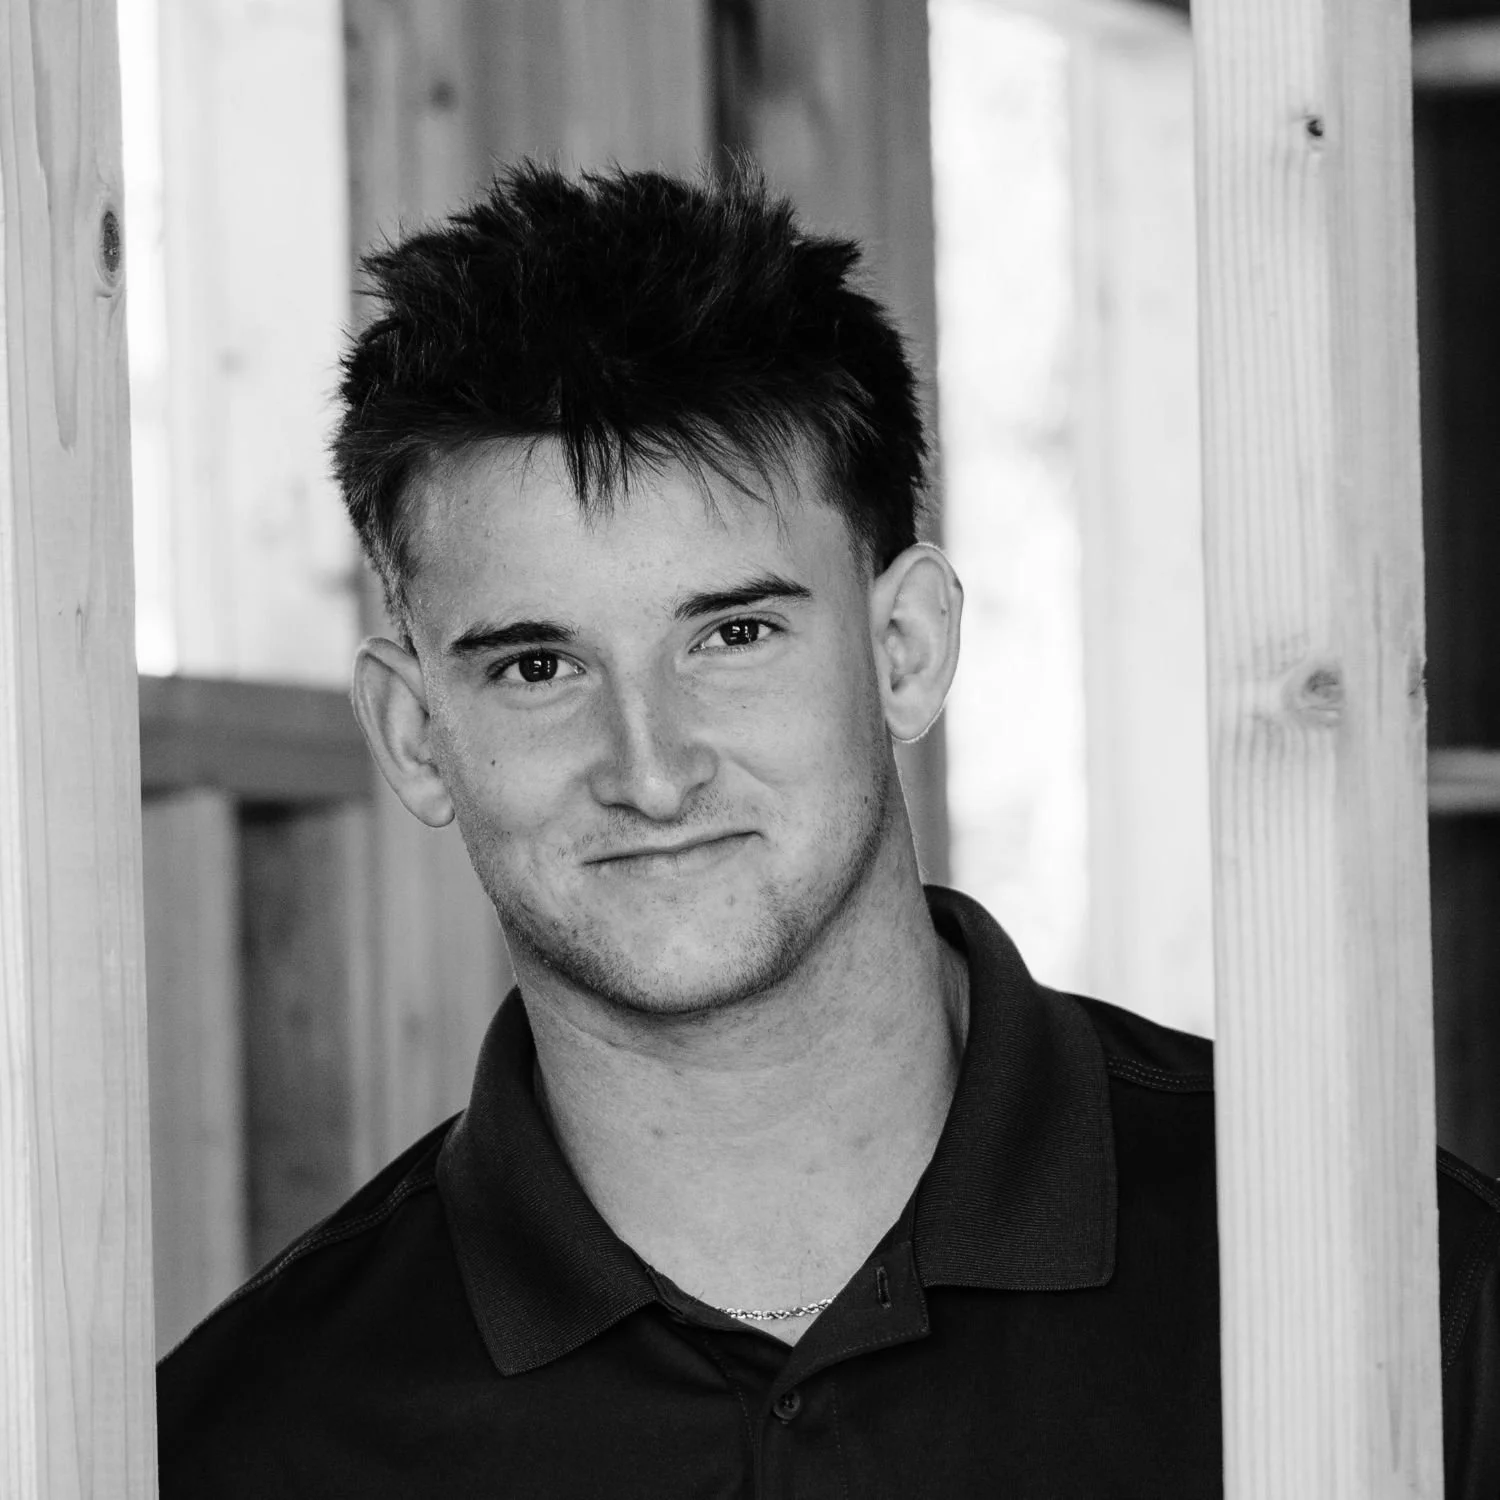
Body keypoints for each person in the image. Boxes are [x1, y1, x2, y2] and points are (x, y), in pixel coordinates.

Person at [156, 162, 1499, 1497]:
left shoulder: (1387, 1279)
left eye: (733, 634)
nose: (653, 767)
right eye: (536, 667)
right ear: (411, 734)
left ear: (905, 647)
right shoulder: (247, 1441)